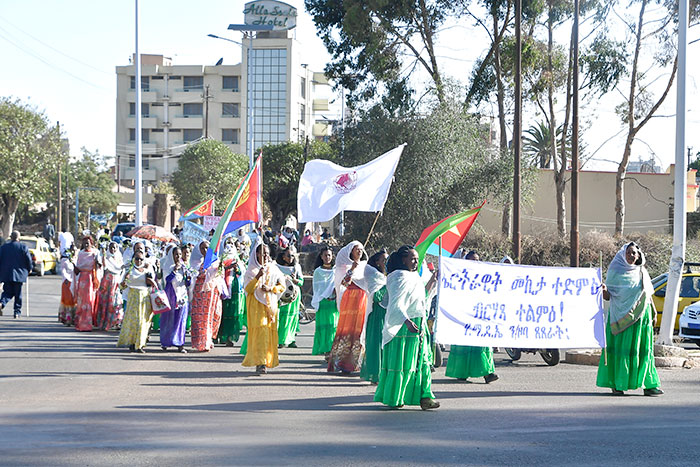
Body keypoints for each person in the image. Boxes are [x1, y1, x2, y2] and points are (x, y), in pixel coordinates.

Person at [374, 246, 439, 410]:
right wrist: (407, 321)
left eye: (417, 259)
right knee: (402, 362)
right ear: (403, 260)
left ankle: (425, 396)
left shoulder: (415, 276)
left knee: (422, 361)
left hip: (419, 322)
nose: (416, 261)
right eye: (412, 258)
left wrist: (433, 281)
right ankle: (396, 397)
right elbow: (395, 304)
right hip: (402, 326)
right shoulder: (397, 277)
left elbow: (421, 297)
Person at [597, 242, 663, 396]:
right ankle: (618, 383)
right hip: (621, 317)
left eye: (634, 253)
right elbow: (608, 297)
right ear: (623, 254)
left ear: (639, 256)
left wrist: (653, 311)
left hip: (641, 317)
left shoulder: (642, 272)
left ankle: (649, 385)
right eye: (629, 253)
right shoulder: (615, 271)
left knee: (643, 349)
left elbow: (647, 294)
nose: (632, 256)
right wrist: (604, 290)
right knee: (622, 349)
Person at [327, 241, 386, 374]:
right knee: (349, 329)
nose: (359, 251)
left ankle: (358, 363)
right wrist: (352, 269)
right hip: (350, 299)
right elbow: (343, 282)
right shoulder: (344, 265)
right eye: (356, 249)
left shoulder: (366, 266)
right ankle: (343, 363)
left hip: (363, 299)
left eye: (361, 249)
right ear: (350, 251)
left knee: (361, 329)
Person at [444, 250, 499, 384]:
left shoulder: (484, 276)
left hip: (479, 315)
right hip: (464, 315)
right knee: (464, 345)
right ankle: (461, 372)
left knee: (481, 344)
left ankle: (487, 372)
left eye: (477, 260)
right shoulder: (459, 276)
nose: (475, 263)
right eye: (472, 260)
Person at [242, 239, 285, 374]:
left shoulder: (273, 269)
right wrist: (257, 277)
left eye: (267, 253)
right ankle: (260, 362)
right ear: (256, 255)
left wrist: (271, 288)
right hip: (256, 306)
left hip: (270, 306)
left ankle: (267, 359)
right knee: (260, 333)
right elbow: (248, 289)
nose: (265, 256)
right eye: (262, 254)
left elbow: (282, 286)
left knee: (268, 331)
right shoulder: (251, 270)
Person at [117, 251, 157, 353]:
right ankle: (132, 342)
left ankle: (140, 345)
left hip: (144, 298)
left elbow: (153, 283)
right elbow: (122, 286)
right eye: (137, 259)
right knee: (133, 322)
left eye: (141, 259)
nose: (139, 261)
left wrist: (152, 282)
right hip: (133, 299)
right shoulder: (130, 270)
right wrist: (125, 281)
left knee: (143, 322)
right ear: (133, 259)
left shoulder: (147, 270)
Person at [190, 240, 225, 352]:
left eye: (207, 248)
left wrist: (219, 269)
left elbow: (219, 276)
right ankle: (202, 342)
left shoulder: (215, 262)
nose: (205, 250)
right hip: (199, 294)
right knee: (200, 319)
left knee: (211, 317)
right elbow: (193, 275)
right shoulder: (195, 262)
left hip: (211, 295)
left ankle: (208, 340)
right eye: (203, 248)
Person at [360, 249, 389, 383]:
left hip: (388, 313)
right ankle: (375, 374)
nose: (386, 263)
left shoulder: (387, 276)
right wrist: (388, 285)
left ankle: (385, 372)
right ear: (377, 262)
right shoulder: (373, 276)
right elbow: (376, 296)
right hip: (377, 313)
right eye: (383, 260)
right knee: (376, 343)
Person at [160, 246, 191, 353]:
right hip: (171, 296)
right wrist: (174, 270)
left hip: (182, 296)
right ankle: (166, 341)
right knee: (169, 319)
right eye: (176, 254)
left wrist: (188, 277)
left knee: (181, 320)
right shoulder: (168, 266)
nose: (178, 257)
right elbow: (167, 280)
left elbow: (187, 283)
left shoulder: (184, 266)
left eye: (179, 254)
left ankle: (180, 343)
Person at [217, 237, 247, 347]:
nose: (229, 246)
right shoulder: (220, 258)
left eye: (231, 243)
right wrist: (226, 267)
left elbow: (240, 273)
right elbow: (217, 271)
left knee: (232, 313)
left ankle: (230, 337)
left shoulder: (236, 259)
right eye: (227, 243)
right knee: (221, 312)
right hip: (222, 288)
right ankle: (220, 336)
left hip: (233, 288)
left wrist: (236, 268)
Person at [311, 246, 338, 358]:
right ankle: (326, 351)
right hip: (322, 302)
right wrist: (324, 295)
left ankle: (332, 351)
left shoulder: (336, 270)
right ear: (321, 257)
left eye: (329, 255)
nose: (327, 257)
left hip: (334, 302)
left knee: (333, 327)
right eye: (325, 255)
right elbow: (317, 288)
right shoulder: (318, 271)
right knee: (324, 327)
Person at [0, 231, 34, 318]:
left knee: (7, 292)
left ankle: (2, 303)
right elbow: (28, 259)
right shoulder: (23, 247)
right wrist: (30, 268)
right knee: (18, 294)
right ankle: (17, 312)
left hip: (6, 273)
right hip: (19, 274)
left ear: (11, 237)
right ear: (18, 237)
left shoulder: (4, 247)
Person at [276, 246, 304, 348]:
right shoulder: (277, 267)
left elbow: (301, 282)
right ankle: (281, 340)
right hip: (282, 296)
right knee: (282, 318)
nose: (291, 257)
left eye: (292, 255)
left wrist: (296, 280)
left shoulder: (296, 267)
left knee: (293, 318)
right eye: (288, 255)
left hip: (294, 296)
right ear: (283, 257)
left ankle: (291, 339)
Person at [73, 235, 101, 331]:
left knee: (90, 300)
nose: (86, 244)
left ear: (91, 243)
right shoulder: (80, 253)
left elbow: (100, 266)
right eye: (84, 242)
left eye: (88, 242)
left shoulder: (95, 253)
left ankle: (89, 321)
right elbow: (78, 267)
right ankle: (82, 322)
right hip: (82, 279)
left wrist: (98, 262)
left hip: (91, 278)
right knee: (82, 301)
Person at [94, 241, 124, 331]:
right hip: (107, 281)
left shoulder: (119, 258)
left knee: (115, 301)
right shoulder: (106, 257)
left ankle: (114, 322)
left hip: (116, 281)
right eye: (111, 247)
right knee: (105, 301)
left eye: (114, 247)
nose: (113, 249)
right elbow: (103, 265)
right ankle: (104, 322)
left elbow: (121, 268)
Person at [58, 245, 77, 325]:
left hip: (75, 281)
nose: (74, 252)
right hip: (67, 282)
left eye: (75, 250)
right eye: (73, 250)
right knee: (68, 300)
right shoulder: (65, 260)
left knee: (74, 300)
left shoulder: (76, 260)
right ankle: (67, 318)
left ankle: (74, 318)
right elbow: (63, 271)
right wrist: (66, 279)